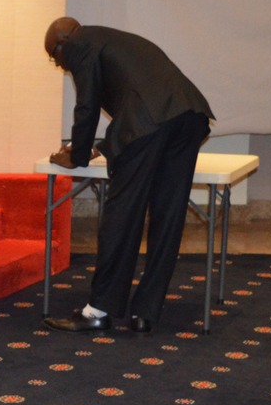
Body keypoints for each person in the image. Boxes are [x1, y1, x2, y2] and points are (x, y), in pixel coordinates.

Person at [42, 17, 214, 334]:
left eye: (56, 59)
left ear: (61, 45)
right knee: (167, 216)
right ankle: (145, 312)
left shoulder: (79, 45)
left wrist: (77, 156)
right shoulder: (114, 39)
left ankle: (99, 310)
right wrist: (100, 148)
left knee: (122, 216)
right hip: (189, 118)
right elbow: (140, 94)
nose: (61, 66)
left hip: (150, 122)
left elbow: (87, 105)